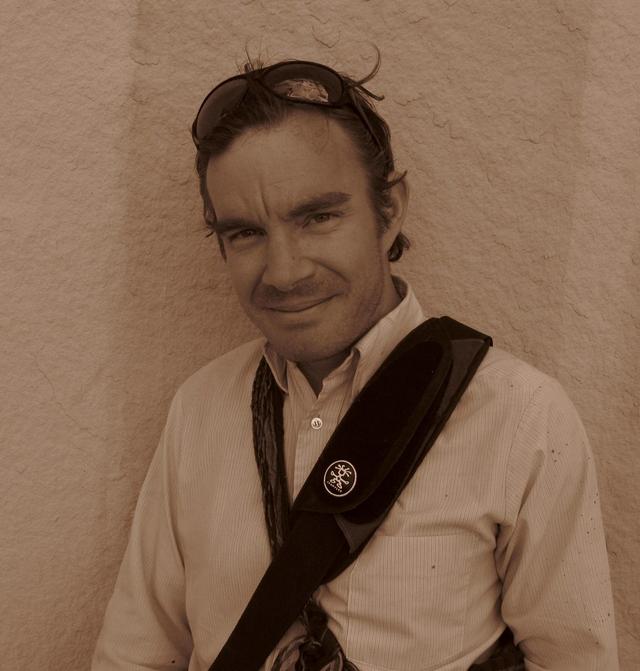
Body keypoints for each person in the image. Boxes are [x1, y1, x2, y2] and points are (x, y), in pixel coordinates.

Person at [92, 56, 619, 671]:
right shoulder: (200, 408)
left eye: (317, 217)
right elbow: (136, 652)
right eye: (245, 233)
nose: (285, 272)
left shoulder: (522, 415)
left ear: (389, 209)